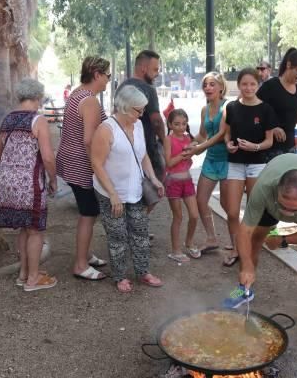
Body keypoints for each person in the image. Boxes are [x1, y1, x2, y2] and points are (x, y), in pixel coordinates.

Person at [232, 154, 297, 334]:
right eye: (284, 206)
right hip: (270, 197)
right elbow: (244, 230)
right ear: (277, 190)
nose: (287, 214)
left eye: (293, 209)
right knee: (255, 237)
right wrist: (247, 266)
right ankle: (244, 289)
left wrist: (283, 240)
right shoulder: (264, 189)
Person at [91, 86, 165, 293]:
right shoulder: (107, 129)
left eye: (142, 110)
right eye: (137, 110)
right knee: (118, 236)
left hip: (135, 190)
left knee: (140, 231)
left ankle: (143, 272)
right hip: (111, 192)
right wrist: (113, 194)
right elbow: (96, 164)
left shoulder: (138, 125)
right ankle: (120, 276)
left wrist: (153, 178)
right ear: (123, 107)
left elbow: (142, 155)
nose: (141, 115)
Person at [0, 78, 58, 292]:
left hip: (6, 183)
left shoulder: (7, 120)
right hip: (29, 184)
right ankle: (33, 279)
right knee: (36, 231)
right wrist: (53, 178)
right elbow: (48, 157)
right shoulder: (38, 121)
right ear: (37, 97)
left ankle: (23, 273)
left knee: (23, 227)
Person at [56, 56, 111, 282]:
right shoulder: (90, 101)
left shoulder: (77, 94)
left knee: (88, 212)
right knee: (88, 214)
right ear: (97, 75)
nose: (108, 80)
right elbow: (89, 139)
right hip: (82, 165)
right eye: (107, 75)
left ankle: (85, 254)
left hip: (70, 161)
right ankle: (80, 264)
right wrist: (97, 169)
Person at [222, 68, 278, 267]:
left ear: (258, 85)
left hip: (257, 164)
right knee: (231, 211)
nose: (248, 88)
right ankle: (237, 248)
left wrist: (255, 146)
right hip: (235, 163)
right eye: (244, 84)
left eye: (252, 84)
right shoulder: (232, 107)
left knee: (253, 211)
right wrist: (228, 144)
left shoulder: (266, 109)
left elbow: (269, 141)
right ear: (238, 85)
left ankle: (250, 249)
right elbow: (227, 133)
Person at [190, 71, 231, 253]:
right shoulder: (204, 110)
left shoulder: (227, 107)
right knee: (200, 200)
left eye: (212, 84)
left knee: (227, 204)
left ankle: (236, 242)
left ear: (221, 87)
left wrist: (200, 148)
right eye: (205, 85)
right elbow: (202, 135)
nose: (208, 88)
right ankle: (211, 238)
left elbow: (222, 134)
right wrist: (190, 144)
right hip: (211, 160)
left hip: (228, 160)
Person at [118, 50, 167, 186]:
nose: (157, 73)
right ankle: (142, 208)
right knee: (155, 185)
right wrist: (165, 140)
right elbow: (156, 121)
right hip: (146, 147)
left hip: (122, 145)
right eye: (155, 69)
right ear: (144, 68)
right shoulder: (148, 88)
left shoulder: (122, 86)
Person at [256, 48, 297, 160]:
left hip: (290, 147)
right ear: (288, 65)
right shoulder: (270, 86)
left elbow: (296, 111)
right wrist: (272, 128)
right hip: (269, 149)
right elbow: (254, 113)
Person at [163, 109, 201, 263]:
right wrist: (184, 154)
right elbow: (169, 163)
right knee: (178, 216)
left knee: (194, 215)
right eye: (177, 124)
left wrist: (192, 150)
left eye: (184, 124)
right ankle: (175, 250)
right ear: (170, 125)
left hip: (187, 181)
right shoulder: (168, 139)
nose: (181, 127)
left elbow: (192, 157)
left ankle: (189, 242)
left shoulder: (188, 138)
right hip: (173, 182)